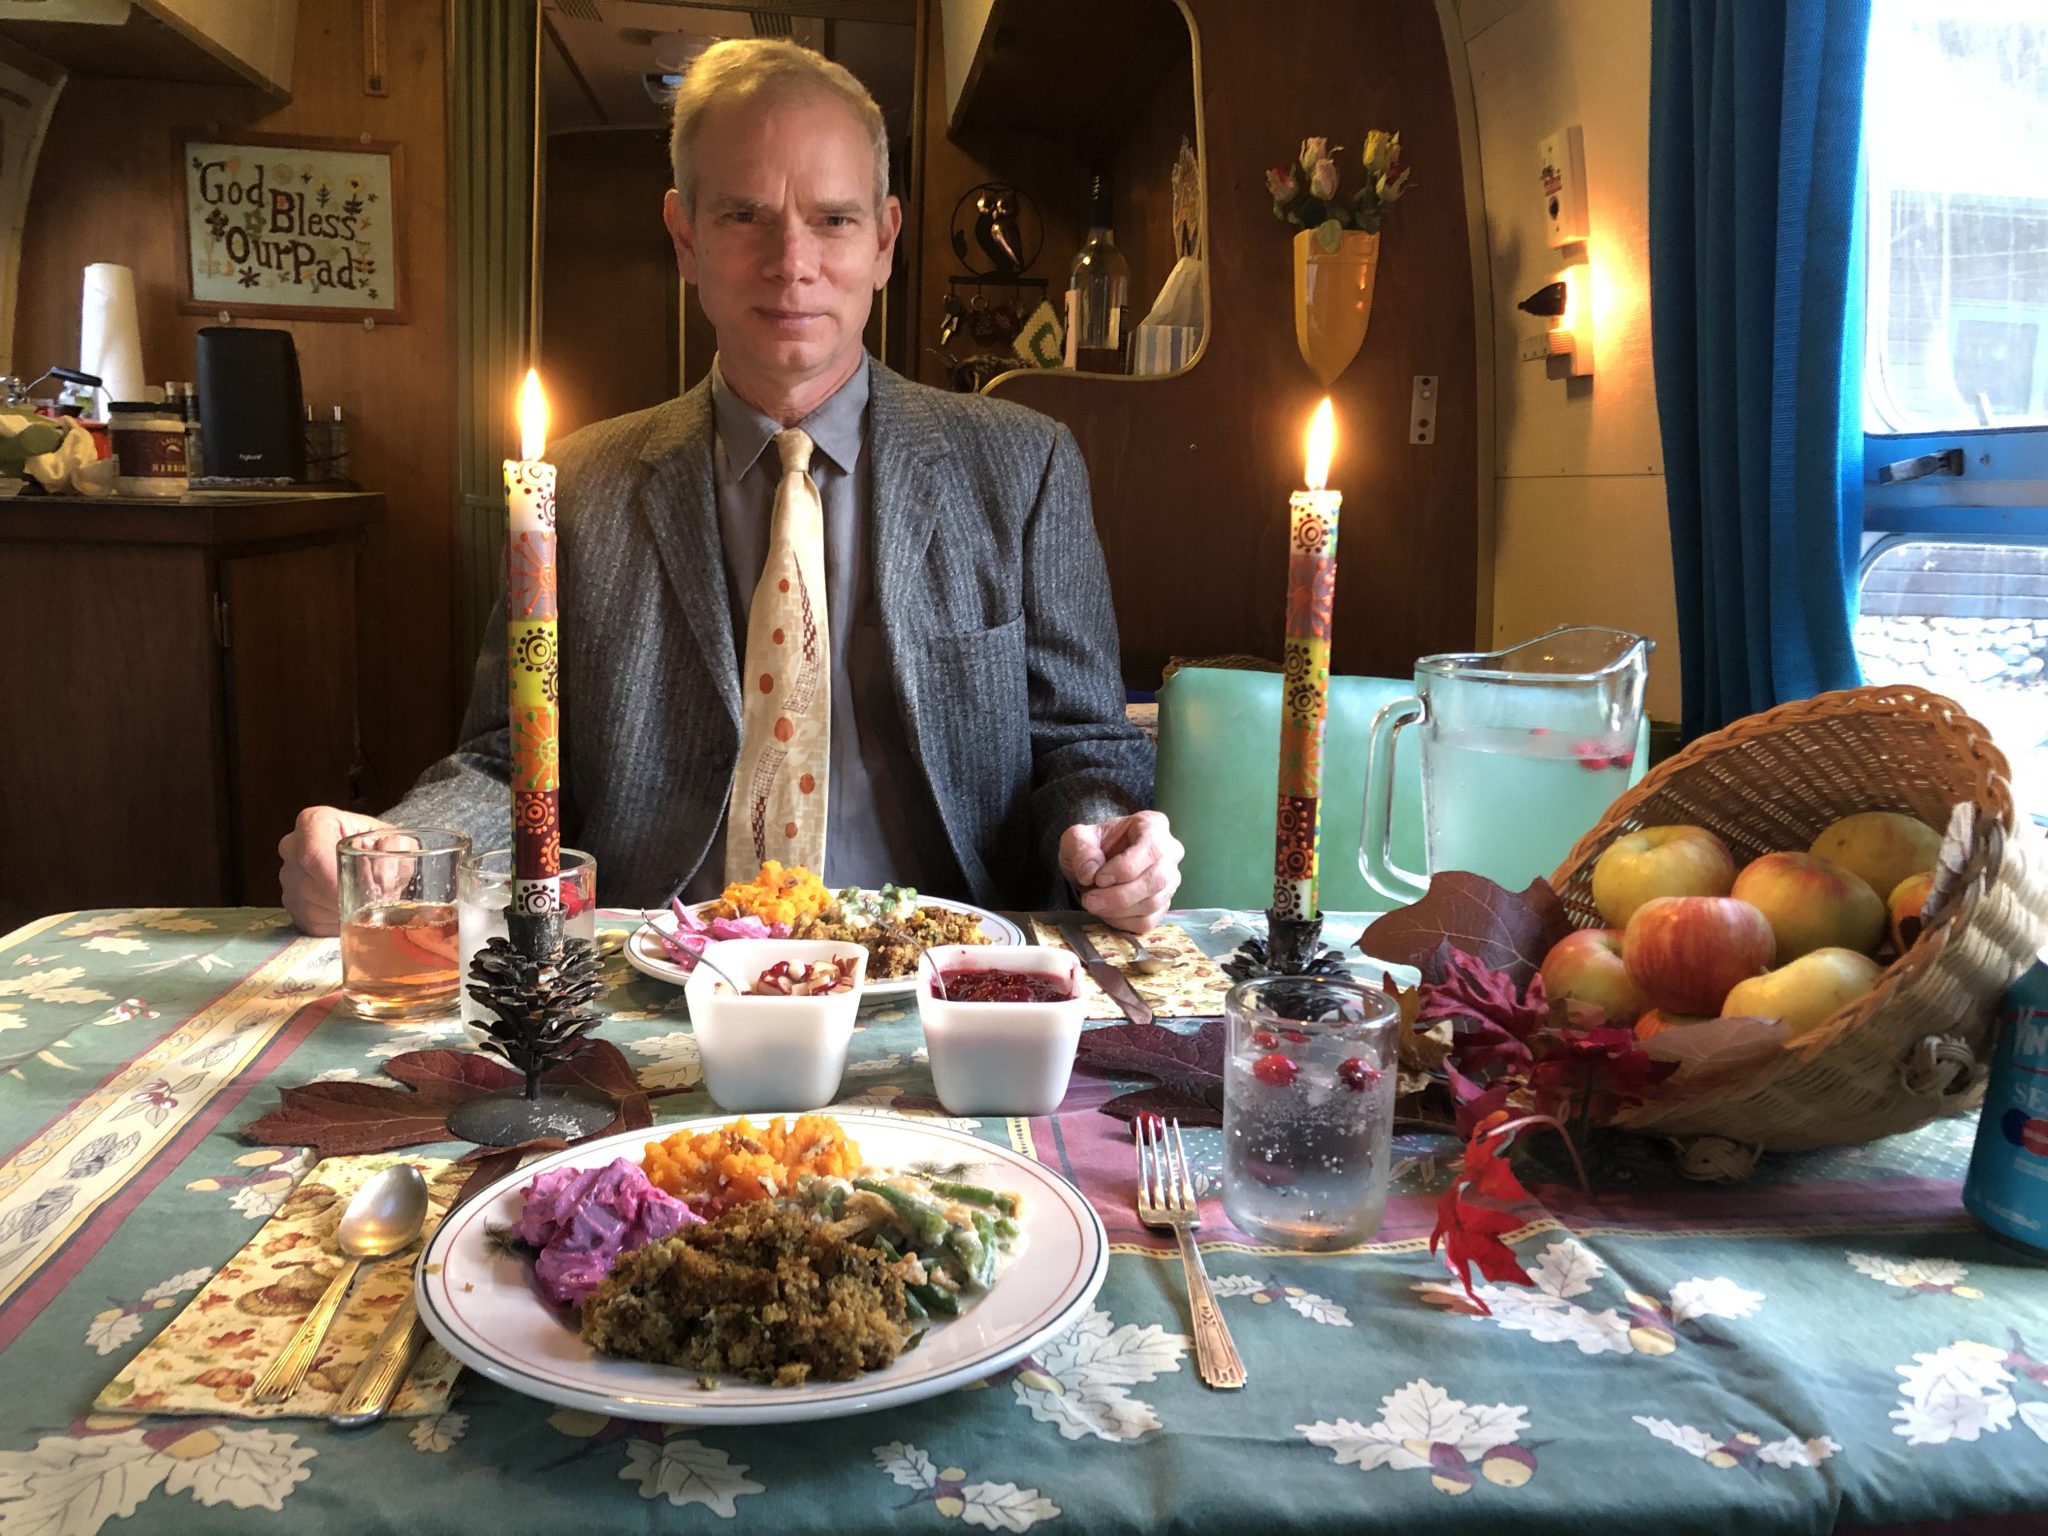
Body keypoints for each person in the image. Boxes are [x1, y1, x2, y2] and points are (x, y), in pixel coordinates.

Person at [280, 38, 1180, 938]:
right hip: (660, 963)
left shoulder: (1023, 466)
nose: (793, 261)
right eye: (746, 215)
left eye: (833, 219)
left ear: (885, 241)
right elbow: (508, 761)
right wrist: (398, 848)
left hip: (940, 967)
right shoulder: (577, 485)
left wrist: (1103, 833)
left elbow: (1082, 744)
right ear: (686, 238)